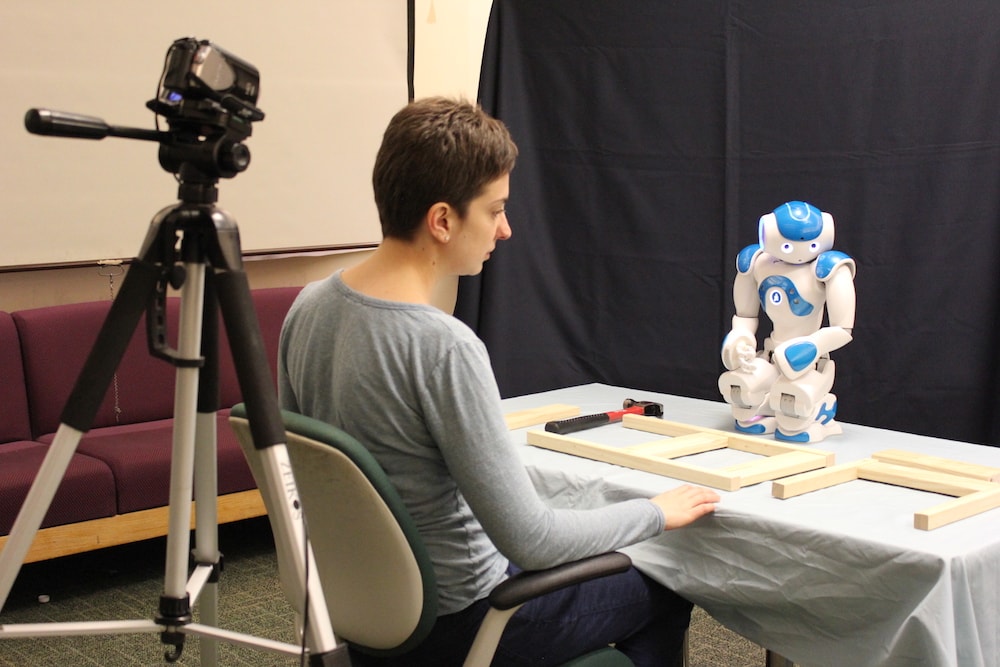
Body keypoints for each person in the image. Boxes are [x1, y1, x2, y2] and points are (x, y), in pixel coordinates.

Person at [277, 97, 719, 666]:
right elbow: (533, 542)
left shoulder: (307, 307)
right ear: (441, 220)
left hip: (350, 612)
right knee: (667, 582)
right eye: (495, 210)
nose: (506, 229)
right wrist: (658, 511)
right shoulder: (444, 347)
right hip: (461, 623)